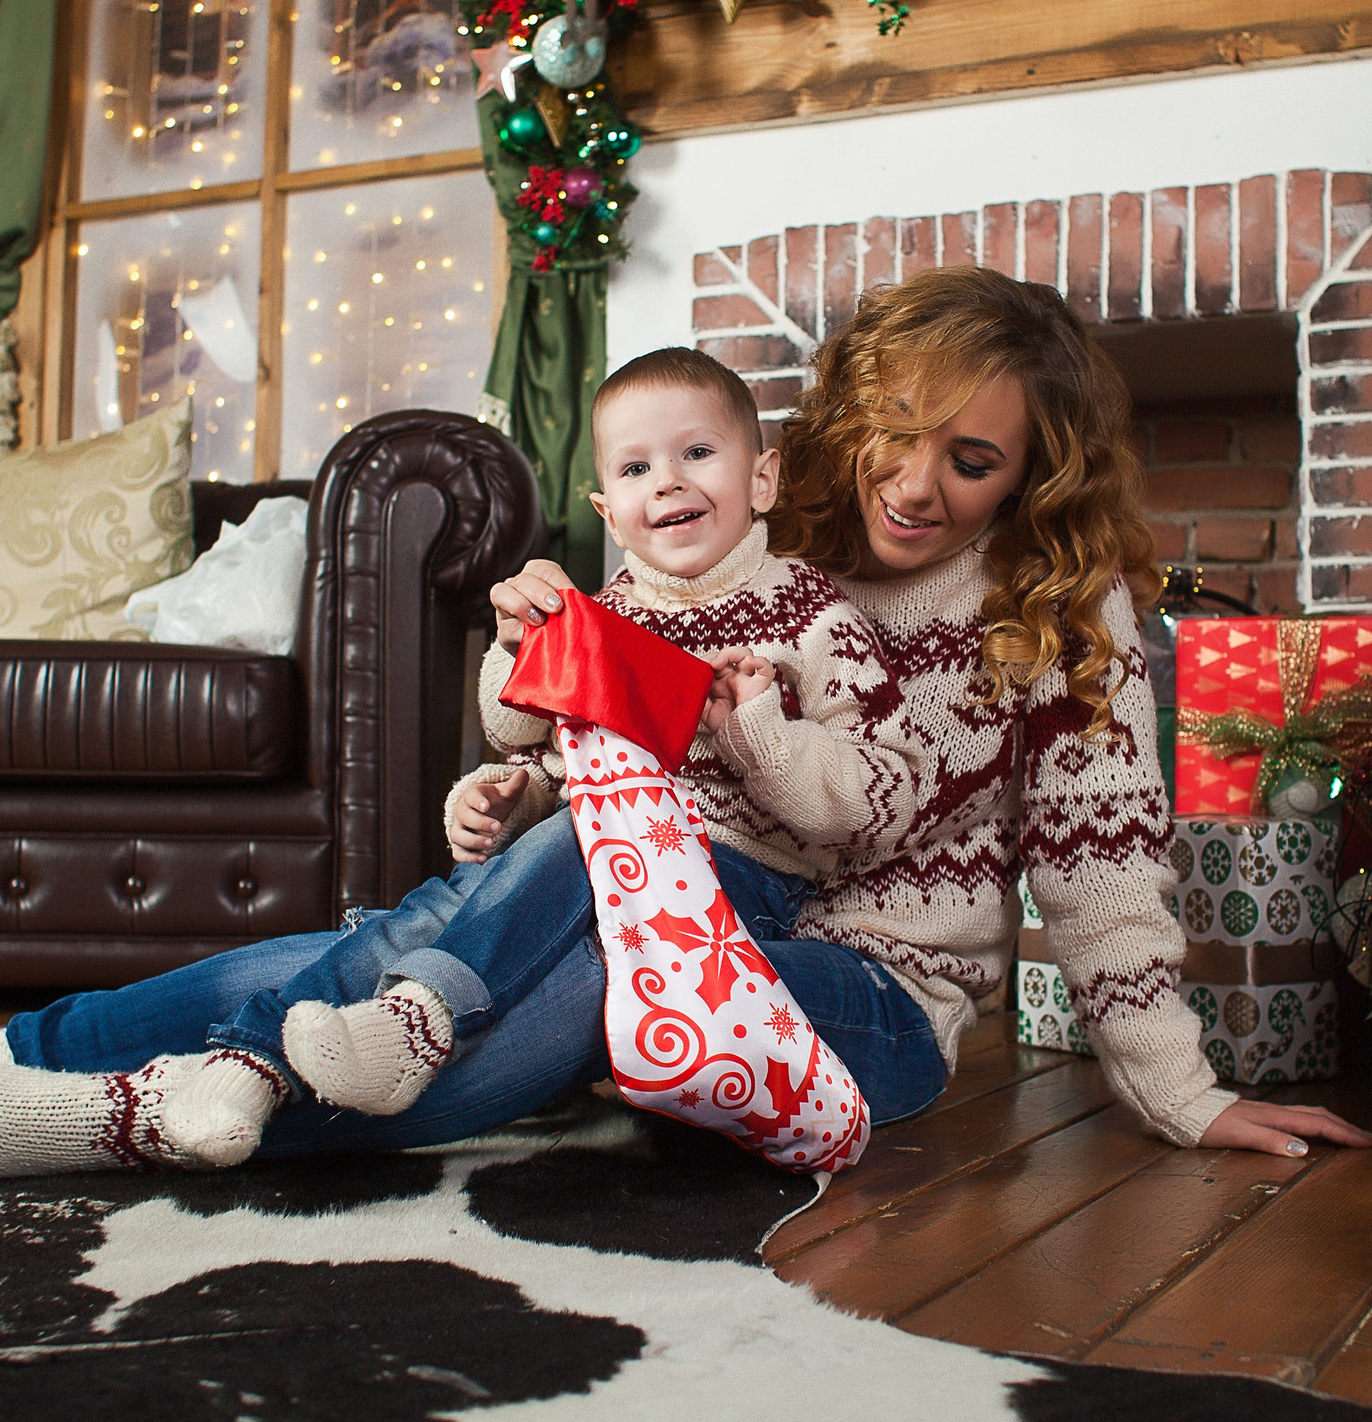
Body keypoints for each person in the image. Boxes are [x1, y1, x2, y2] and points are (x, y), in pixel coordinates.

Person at [0, 266, 1364, 1193]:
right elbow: (583, 734)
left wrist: (1180, 1093)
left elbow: (1100, 870)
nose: (921, 484)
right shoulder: (759, 549)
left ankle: (49, 1094)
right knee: (460, 930)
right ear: (844, 426)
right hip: (655, 933)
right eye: (902, 438)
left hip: (866, 1007)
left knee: (591, 907)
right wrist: (535, 707)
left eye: (973, 463)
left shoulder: (1056, 621)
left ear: (1034, 477)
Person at [165, 346, 929, 1147]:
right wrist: (516, 775)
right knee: (438, 911)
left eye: (697, 453)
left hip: (736, 881)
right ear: (607, 509)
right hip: (591, 860)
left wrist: (759, 733)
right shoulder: (607, 611)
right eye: (636, 468)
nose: (667, 480)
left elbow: (878, 802)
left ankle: (415, 1017)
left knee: (587, 842)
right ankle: (242, 1059)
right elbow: (527, 735)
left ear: (762, 479)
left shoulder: (816, 618)